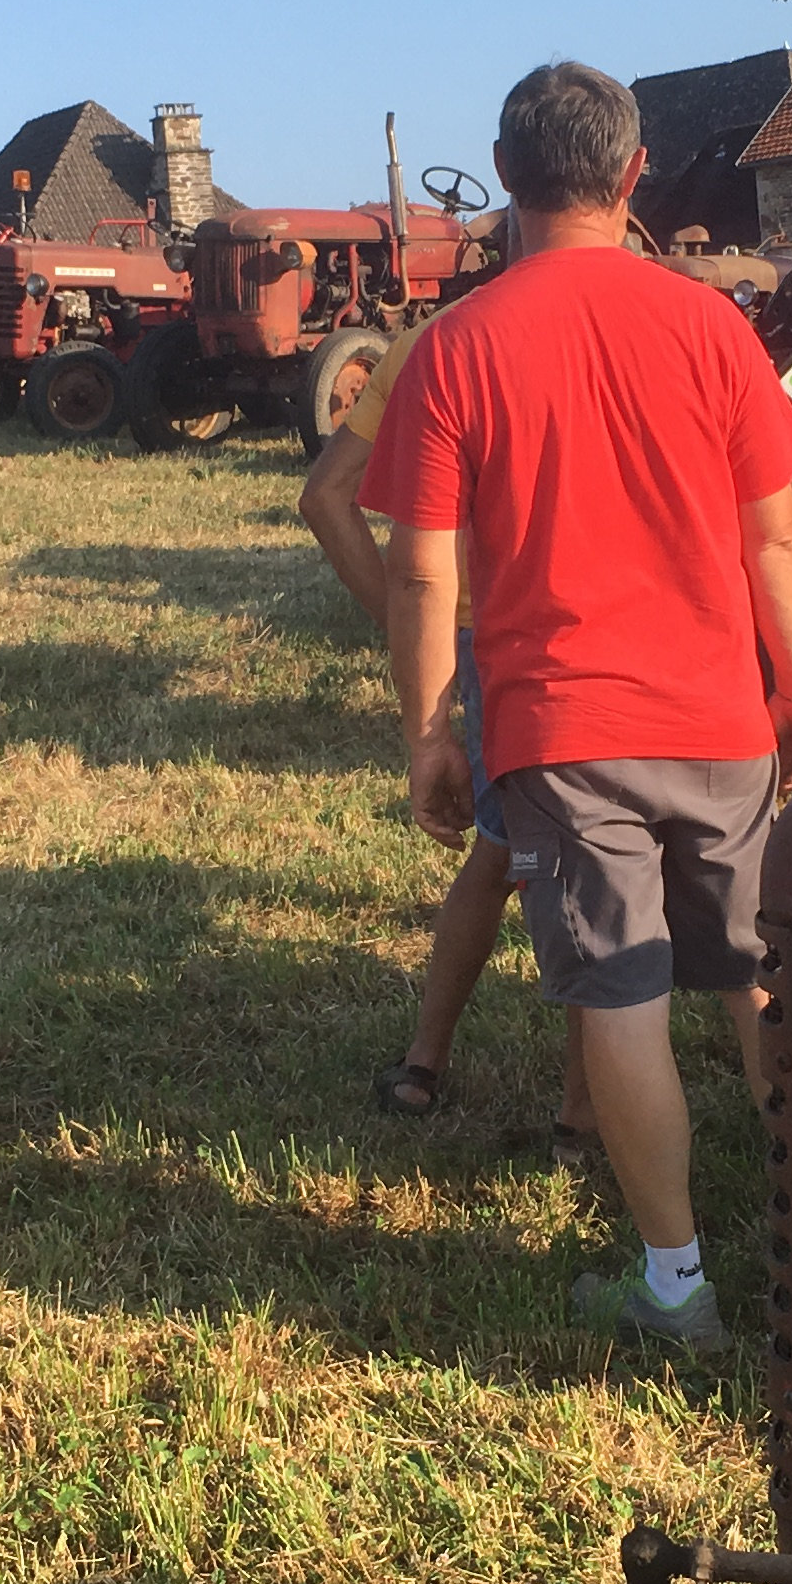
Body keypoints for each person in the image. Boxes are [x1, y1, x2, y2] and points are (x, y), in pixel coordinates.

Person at [361, 61, 792, 1357]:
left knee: (620, 999)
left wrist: (430, 732)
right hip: (720, 717)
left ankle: (676, 1287)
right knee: (752, 979)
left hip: (565, 734)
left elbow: (422, 571)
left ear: (505, 176)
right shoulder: (713, 330)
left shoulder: (457, 347)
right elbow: (777, 536)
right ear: (634, 177)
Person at [298, 296, 595, 1164]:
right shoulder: (633, 326)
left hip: (476, 634)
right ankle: (580, 1118)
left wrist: (409, 630)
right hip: (581, 633)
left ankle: (427, 1059)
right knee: (586, 869)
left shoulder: (433, 340)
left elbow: (325, 496)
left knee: (503, 852)